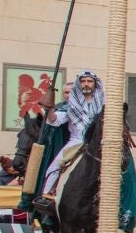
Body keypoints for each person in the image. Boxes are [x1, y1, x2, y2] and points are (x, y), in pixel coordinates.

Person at [42, 70, 106, 199]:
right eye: (83, 81)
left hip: (101, 143)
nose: (86, 84)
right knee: (55, 167)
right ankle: (46, 196)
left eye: (89, 81)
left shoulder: (105, 103)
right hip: (77, 142)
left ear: (95, 84)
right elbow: (54, 120)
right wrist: (49, 108)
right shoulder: (70, 105)